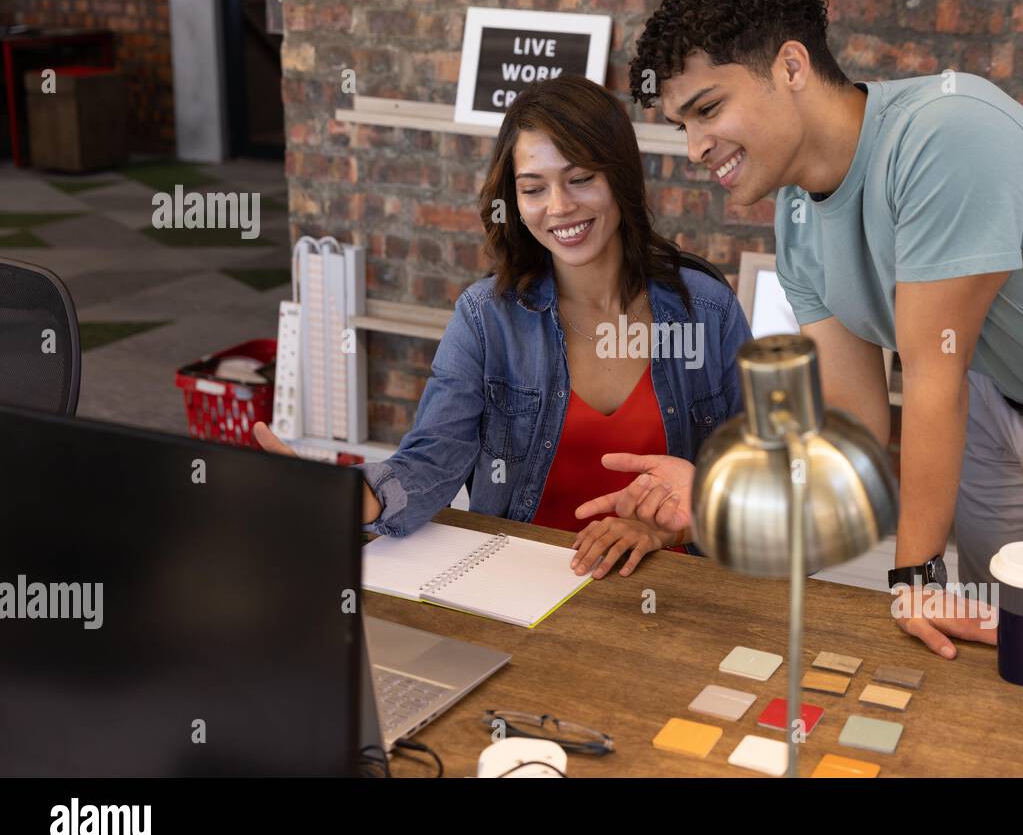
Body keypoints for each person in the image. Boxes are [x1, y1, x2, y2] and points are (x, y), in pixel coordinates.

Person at [578, 0, 1023, 650]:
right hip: (1000, 411)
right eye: (682, 125)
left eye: (708, 109)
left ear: (791, 67)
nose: (696, 146)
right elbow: (852, 426)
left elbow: (932, 375)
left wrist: (915, 573)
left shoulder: (946, 134)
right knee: (997, 643)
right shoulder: (796, 217)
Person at [256, 74, 752, 579]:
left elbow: (758, 475)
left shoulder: (706, 311)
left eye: (580, 179)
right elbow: (431, 461)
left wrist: (670, 527)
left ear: (620, 178)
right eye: (534, 188)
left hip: (673, 590)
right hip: (517, 587)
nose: (559, 207)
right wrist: (336, 495)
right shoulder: (485, 318)